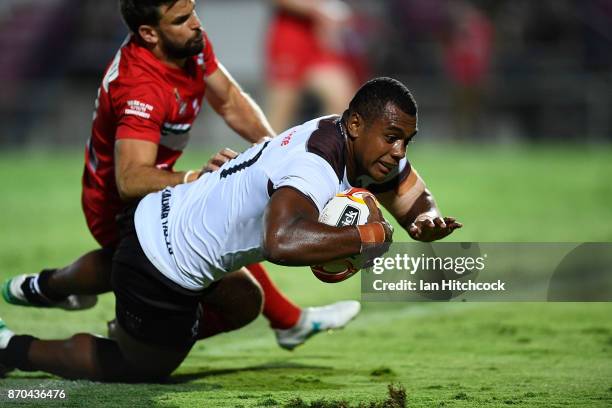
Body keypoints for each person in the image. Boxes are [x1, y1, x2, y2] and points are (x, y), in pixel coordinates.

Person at [0, 77, 462, 381]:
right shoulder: (315, 164)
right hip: (164, 266)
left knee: (243, 301)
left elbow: (409, 194)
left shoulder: (350, 139)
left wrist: (424, 218)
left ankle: (48, 286)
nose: (400, 151)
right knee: (137, 366)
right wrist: (368, 237)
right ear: (356, 124)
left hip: (156, 217)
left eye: (407, 140)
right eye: (393, 137)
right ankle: (14, 348)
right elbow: (280, 240)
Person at [1, 0, 360, 351]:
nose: (196, 24)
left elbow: (231, 101)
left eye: (193, 12)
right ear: (149, 33)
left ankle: (49, 289)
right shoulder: (140, 86)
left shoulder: (189, 43)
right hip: (116, 201)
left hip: (159, 187)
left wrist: (275, 147)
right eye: (181, 19)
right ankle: (54, 330)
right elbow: (130, 179)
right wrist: (196, 179)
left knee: (222, 228)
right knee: (228, 278)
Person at [265, 0, 360, 131]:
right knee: (282, 110)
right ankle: (265, 150)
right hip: (291, 33)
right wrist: (318, 9)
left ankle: (321, 148)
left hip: (316, 37)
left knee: (343, 100)